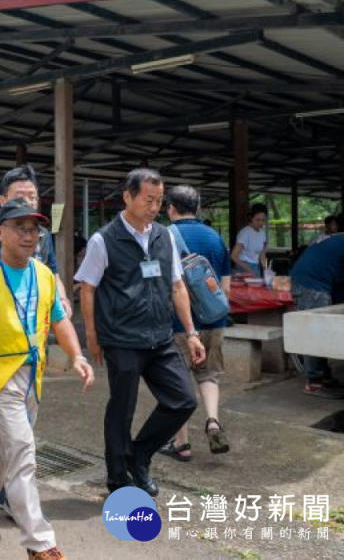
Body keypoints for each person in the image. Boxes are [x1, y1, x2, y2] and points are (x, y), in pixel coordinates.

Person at [0, 199, 93, 560]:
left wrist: (76, 355)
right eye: (21, 228)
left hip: (32, 376)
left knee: (5, 448)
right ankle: (40, 543)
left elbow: (59, 320)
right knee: (23, 453)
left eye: (34, 230)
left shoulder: (44, 275)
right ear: (0, 232)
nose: (30, 236)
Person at [74, 168, 203, 497]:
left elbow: (176, 285)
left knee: (183, 400)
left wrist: (191, 332)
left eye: (159, 201)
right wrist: (92, 336)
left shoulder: (165, 236)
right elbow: (87, 288)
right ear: (128, 197)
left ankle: (139, 456)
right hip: (122, 339)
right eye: (148, 199)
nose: (154, 206)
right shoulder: (104, 239)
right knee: (122, 408)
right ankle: (118, 478)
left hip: (159, 337)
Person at [158, 185, 232, 462]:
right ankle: (212, 420)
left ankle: (182, 443)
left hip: (178, 322)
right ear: (198, 207)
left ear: (171, 208)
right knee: (209, 374)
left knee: (178, 381)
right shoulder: (215, 237)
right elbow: (226, 286)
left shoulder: (165, 235)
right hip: (214, 318)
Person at [0, 166, 72, 318]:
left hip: (32, 320)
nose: (26, 202)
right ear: (2, 201)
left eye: (32, 197)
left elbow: (53, 273)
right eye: (19, 196)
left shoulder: (43, 234)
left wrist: (62, 299)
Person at [289, 234, 344, 399]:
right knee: (316, 331)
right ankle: (314, 382)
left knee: (323, 330)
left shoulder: (339, 238)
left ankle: (324, 375)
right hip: (311, 284)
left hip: (311, 279)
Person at [231, 203, 268, 276]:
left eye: (263, 220)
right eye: (257, 220)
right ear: (251, 218)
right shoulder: (245, 233)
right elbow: (233, 256)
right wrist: (249, 270)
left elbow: (262, 255)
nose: (261, 223)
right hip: (243, 267)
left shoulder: (262, 233)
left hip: (256, 267)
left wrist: (266, 269)